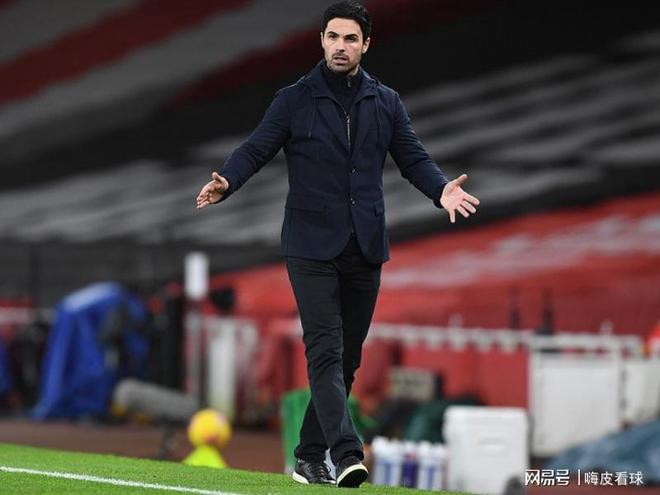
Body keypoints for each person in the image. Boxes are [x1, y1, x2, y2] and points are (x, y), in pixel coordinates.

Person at [196, 1, 479, 487]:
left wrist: (440, 191)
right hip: (309, 245)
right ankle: (348, 454)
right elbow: (256, 147)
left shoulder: (385, 101)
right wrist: (229, 181)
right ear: (321, 40)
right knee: (324, 350)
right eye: (332, 37)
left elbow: (413, 158)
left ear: (366, 44)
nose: (340, 46)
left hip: (364, 245)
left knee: (347, 359)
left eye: (350, 38)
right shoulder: (294, 99)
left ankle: (308, 457)